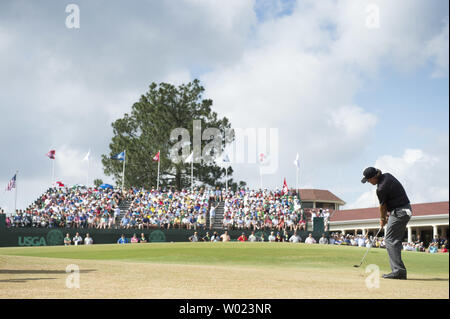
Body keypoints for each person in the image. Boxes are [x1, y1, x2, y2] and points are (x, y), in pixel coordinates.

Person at [361, 167, 412, 280]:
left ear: (374, 177)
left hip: (400, 212)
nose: (369, 182)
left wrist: (382, 219)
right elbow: (393, 197)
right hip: (403, 210)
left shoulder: (381, 188)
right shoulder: (388, 176)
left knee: (390, 240)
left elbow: (382, 207)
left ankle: (398, 271)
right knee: (394, 240)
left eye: (369, 180)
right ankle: (399, 271)